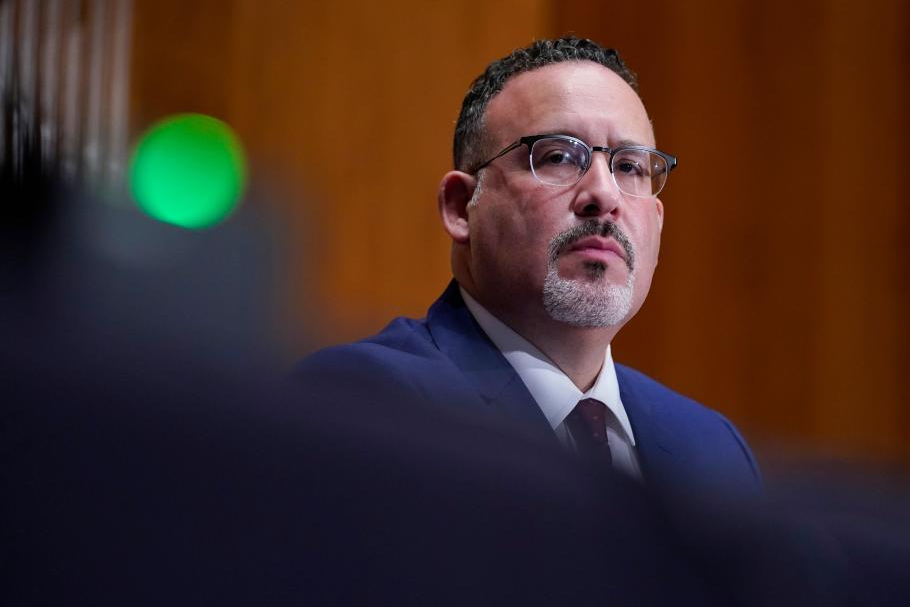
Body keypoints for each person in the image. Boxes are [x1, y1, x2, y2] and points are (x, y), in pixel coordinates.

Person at [297, 36, 760, 497]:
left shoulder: (714, 451)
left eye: (630, 167)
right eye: (558, 156)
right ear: (462, 207)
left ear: (657, 223)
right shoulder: (366, 407)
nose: (604, 194)